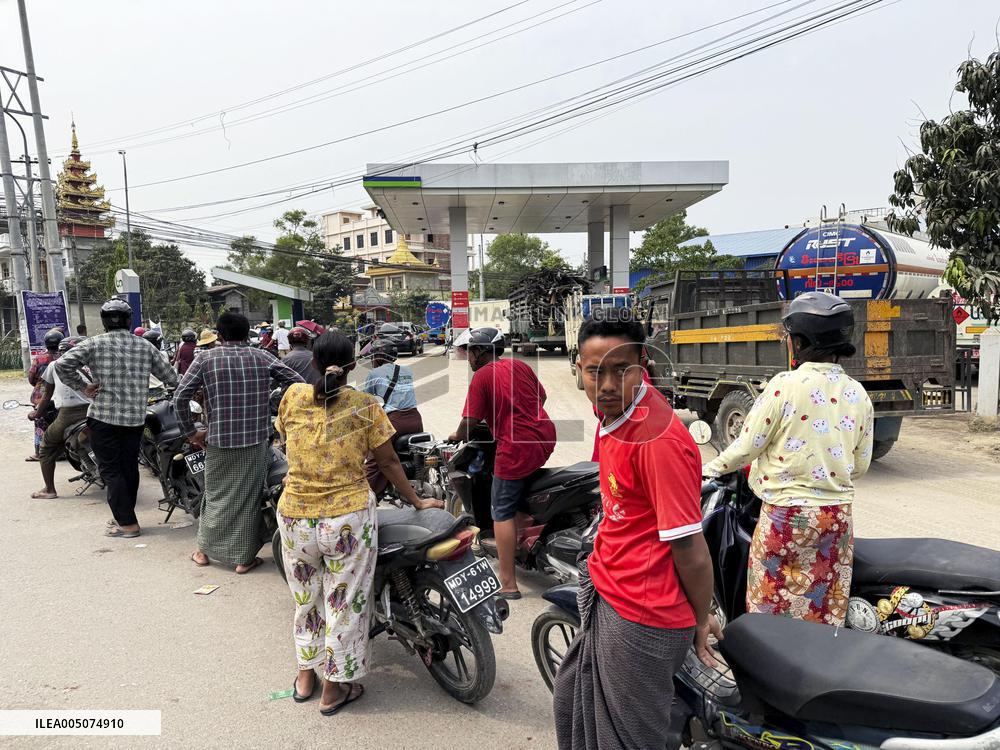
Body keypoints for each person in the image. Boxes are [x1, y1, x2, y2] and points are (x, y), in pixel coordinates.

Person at [553, 317, 720, 750]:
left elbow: (690, 548)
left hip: (642, 613)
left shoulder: (657, 441)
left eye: (621, 370)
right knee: (573, 697)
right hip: (611, 585)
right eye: (594, 371)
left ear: (642, 364)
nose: (607, 385)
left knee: (628, 739)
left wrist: (701, 619)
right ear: (579, 370)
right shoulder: (618, 406)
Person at [274, 330, 442, 714]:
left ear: (313, 363)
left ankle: (305, 678)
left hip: (296, 517)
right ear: (353, 366)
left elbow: (285, 439)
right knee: (344, 602)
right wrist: (416, 499)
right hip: (347, 520)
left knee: (305, 599)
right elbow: (388, 462)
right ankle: (334, 687)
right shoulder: (365, 405)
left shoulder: (293, 397)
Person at [702, 292, 874, 626]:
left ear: (798, 341)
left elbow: (747, 446)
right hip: (836, 520)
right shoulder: (858, 393)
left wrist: (708, 470)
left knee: (772, 611)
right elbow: (861, 465)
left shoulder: (785, 385)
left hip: (786, 518)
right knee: (824, 610)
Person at [175, 312, 302, 573]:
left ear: (219, 336)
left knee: (215, 493)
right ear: (247, 334)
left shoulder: (206, 358)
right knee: (248, 497)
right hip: (255, 440)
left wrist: (191, 432)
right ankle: (243, 559)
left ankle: (203, 550)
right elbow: (298, 384)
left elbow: (180, 398)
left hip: (218, 440)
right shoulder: (263, 356)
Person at [448, 327, 556, 599]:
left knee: (501, 510)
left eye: (471, 351)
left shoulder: (482, 376)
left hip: (516, 447)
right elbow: (541, 397)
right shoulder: (520, 366)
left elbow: (470, 422)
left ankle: (508, 584)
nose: (469, 357)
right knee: (518, 488)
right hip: (543, 438)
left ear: (481, 352)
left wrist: (457, 435)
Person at [56, 298, 178, 538]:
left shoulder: (94, 343)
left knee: (111, 470)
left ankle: (127, 523)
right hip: (134, 419)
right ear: (128, 320)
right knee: (129, 467)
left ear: (104, 321)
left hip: (103, 417)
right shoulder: (145, 346)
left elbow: (62, 364)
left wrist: (84, 387)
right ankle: (125, 516)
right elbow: (171, 378)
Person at [30, 336, 91, 499]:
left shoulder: (54, 365)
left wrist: (36, 414)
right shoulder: (91, 365)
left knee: (46, 448)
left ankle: (49, 490)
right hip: (94, 411)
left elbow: (46, 394)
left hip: (69, 415)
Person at [362, 339, 423, 495]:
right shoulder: (407, 371)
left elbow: (365, 401)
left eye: (373, 357)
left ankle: (363, 501)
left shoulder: (374, 374)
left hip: (395, 422)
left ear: (379, 357)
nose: (372, 360)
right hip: (416, 420)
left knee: (374, 461)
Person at [25, 329, 63, 462]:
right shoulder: (64, 357)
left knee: (40, 424)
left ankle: (39, 453)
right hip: (60, 395)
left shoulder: (39, 358)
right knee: (60, 423)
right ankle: (62, 451)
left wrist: (39, 385)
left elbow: (31, 378)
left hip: (41, 397)